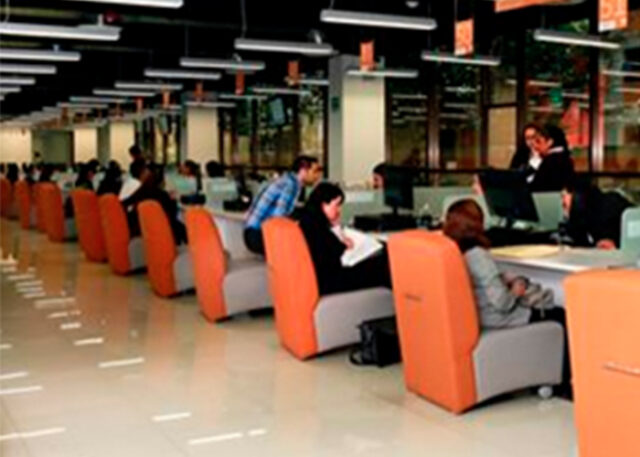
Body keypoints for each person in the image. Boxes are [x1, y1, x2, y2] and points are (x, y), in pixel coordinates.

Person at [444, 199, 571, 395]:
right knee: (560, 315)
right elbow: (502, 303)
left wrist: (501, 279)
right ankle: (561, 381)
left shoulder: (455, 252)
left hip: (481, 315)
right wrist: (516, 289)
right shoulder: (478, 256)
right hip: (497, 317)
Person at [298, 182, 391, 296]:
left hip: (325, 279)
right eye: (337, 205)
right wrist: (343, 244)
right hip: (331, 282)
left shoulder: (308, 221)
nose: (339, 210)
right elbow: (336, 249)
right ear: (323, 205)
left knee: (378, 263)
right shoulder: (317, 228)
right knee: (383, 263)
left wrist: (334, 225)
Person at [244, 155, 321, 255]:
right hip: (258, 236)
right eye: (315, 171)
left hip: (252, 234)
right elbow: (278, 220)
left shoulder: (286, 180)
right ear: (303, 170)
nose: (317, 176)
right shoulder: (291, 185)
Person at [122, 164, 187, 245]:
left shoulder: (140, 192)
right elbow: (172, 214)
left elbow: (124, 203)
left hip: (139, 231)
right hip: (162, 234)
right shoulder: (163, 195)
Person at [562, 178, 634, 249]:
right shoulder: (580, 220)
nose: (562, 201)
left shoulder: (610, 206)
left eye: (564, 196)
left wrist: (616, 245)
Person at [530, 125, 575, 192]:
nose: (536, 146)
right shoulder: (565, 158)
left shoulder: (550, 161)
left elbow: (536, 188)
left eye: (538, 141)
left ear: (550, 142)